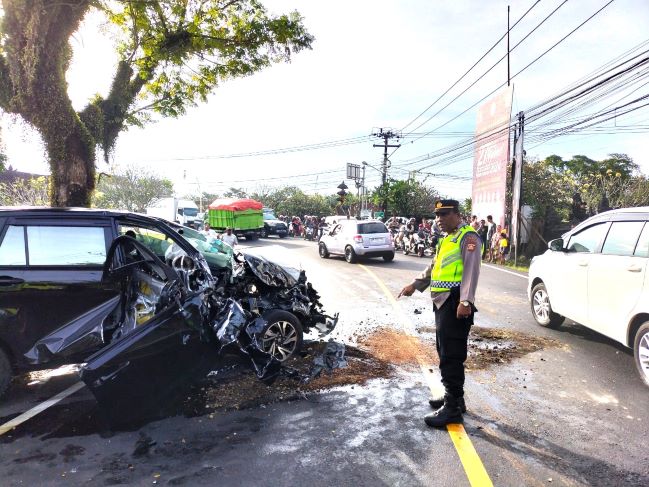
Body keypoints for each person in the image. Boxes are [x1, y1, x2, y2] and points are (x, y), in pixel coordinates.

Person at [398, 199, 482, 427]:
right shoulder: (447, 239)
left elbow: (471, 272)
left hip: (455, 302)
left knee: (451, 354)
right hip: (442, 301)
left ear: (457, 214)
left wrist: (465, 301)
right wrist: (414, 285)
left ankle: (453, 408)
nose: (439, 220)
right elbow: (434, 266)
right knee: (444, 349)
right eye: (437, 216)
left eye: (444, 215)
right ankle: (455, 398)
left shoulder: (468, 237)